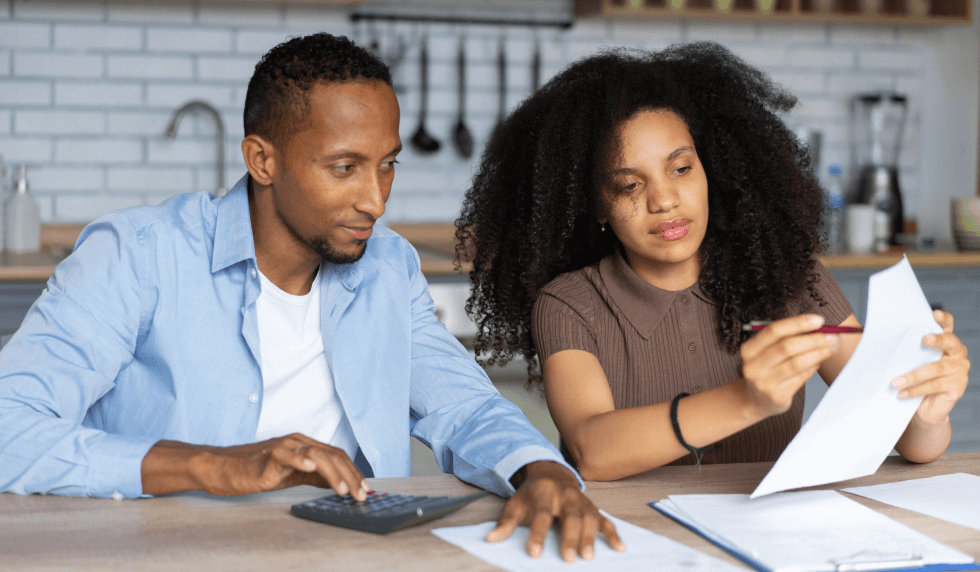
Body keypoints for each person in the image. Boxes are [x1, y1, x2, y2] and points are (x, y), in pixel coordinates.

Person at [0, 33, 623, 561]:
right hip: (165, 553)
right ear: (261, 159)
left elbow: (464, 409)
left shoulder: (388, 269)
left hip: (346, 553)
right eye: (344, 167)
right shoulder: (136, 256)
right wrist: (214, 465)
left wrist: (542, 473)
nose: (376, 201)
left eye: (387, 165)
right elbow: (10, 429)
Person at [456, 43, 970, 481]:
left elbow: (912, 442)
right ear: (596, 206)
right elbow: (593, 450)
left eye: (681, 168)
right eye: (630, 186)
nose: (665, 201)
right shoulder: (570, 304)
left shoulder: (791, 279)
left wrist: (927, 409)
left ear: (712, 168)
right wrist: (747, 399)